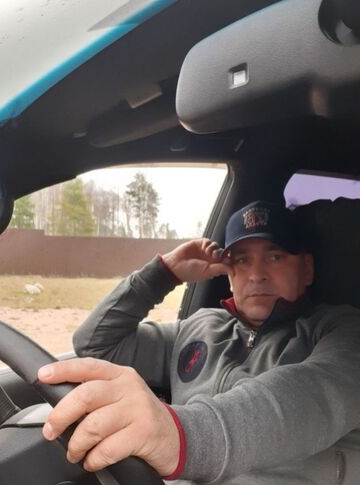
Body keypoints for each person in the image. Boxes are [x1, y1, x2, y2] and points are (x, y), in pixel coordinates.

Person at [38, 200, 360, 484]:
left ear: (307, 269)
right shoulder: (199, 328)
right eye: (242, 260)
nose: (256, 274)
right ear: (229, 274)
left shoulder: (342, 330)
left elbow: (310, 397)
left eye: (275, 257)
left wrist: (180, 435)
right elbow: (96, 345)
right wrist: (164, 274)